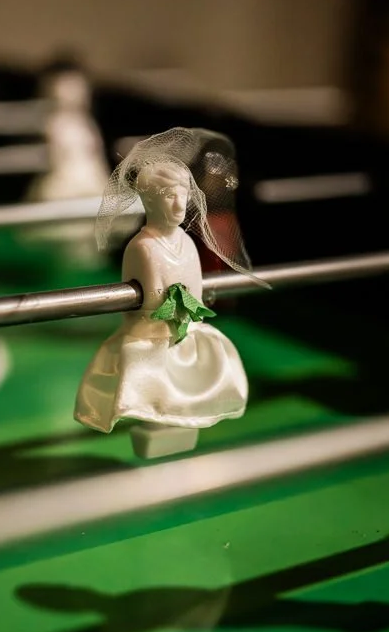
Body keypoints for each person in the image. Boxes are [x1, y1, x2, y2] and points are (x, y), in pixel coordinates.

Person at [74, 128, 260, 458]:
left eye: (184, 195)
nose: (179, 204)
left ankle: (180, 432)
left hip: (185, 333)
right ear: (150, 200)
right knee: (155, 388)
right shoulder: (143, 248)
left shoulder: (187, 242)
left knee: (206, 368)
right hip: (152, 338)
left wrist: (188, 317)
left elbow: (195, 295)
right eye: (169, 196)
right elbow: (153, 302)